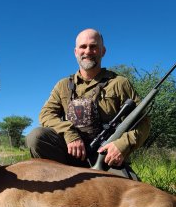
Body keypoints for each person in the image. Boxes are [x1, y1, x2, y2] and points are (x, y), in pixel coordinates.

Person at [26, 28, 150, 180]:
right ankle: (57, 185)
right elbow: (46, 114)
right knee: (36, 137)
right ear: (76, 52)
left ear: (102, 51)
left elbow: (143, 122)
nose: (88, 51)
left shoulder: (119, 83)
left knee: (133, 196)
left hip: (105, 157)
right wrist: (70, 134)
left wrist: (122, 145)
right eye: (83, 47)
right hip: (71, 153)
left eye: (93, 46)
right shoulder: (63, 85)